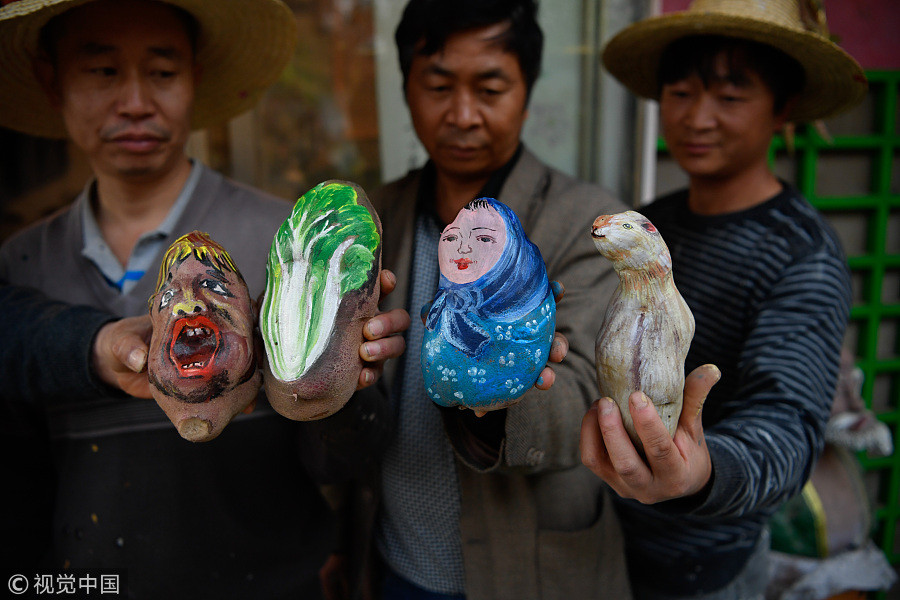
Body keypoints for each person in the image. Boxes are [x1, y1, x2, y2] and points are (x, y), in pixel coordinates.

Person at [0, 1, 408, 597]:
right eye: (102, 71)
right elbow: (19, 480)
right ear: (50, 77)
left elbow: (343, 463)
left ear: (196, 74)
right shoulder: (21, 265)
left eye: (162, 72)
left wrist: (351, 390)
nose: (135, 100)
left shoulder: (282, 247)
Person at [326, 1, 632, 598]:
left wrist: (495, 393)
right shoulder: (373, 220)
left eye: (490, 88)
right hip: (397, 563)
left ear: (526, 90)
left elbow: (589, 392)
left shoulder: (581, 220)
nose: (462, 115)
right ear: (407, 88)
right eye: (438, 86)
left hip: (532, 575)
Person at [581, 0, 867, 598]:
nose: (697, 117)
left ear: (782, 108)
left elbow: (789, 424)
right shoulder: (652, 229)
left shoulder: (801, 254)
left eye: (730, 98)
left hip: (709, 566)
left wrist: (701, 470)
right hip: (605, 544)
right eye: (681, 93)